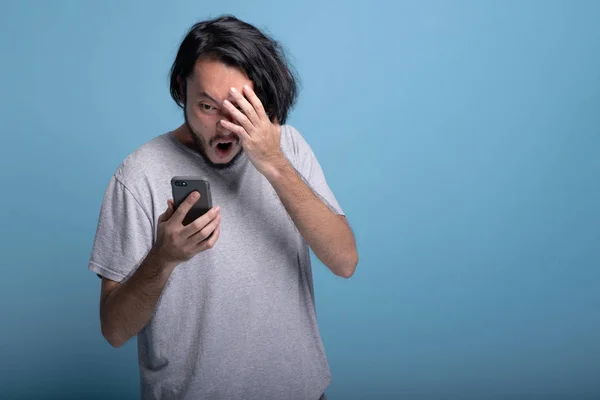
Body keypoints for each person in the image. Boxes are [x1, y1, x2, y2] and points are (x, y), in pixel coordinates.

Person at [88, 14, 358, 400]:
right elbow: (114, 330)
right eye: (208, 107)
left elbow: (344, 261)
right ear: (182, 91)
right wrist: (163, 258)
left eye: (239, 107)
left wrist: (274, 162)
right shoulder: (138, 176)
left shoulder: (289, 146)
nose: (225, 127)